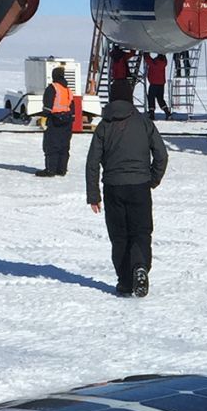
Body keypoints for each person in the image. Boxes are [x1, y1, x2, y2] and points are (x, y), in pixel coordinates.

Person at [86, 80, 167, 298]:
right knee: (141, 231)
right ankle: (140, 266)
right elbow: (161, 154)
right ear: (130, 97)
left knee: (119, 235)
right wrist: (152, 179)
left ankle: (124, 281)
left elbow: (93, 162)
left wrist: (93, 194)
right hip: (140, 186)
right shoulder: (144, 122)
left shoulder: (104, 125)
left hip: (113, 187)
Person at [37, 66, 75, 177]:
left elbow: (48, 105)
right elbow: (72, 106)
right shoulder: (68, 90)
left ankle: (51, 170)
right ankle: (61, 169)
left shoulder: (52, 88)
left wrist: (43, 118)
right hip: (67, 121)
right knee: (64, 146)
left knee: (51, 145)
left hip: (54, 120)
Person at [142, 52, 171, 120]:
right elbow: (150, 61)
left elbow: (148, 60)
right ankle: (167, 112)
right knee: (160, 99)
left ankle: (152, 113)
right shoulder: (163, 63)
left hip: (154, 83)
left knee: (151, 98)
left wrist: (146, 54)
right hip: (161, 84)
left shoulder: (155, 63)